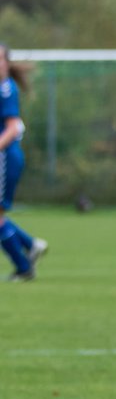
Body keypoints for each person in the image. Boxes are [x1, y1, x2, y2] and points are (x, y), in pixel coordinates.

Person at [0, 44, 49, 282]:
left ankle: (24, 267)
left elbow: (12, 127)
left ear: (6, 63)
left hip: (4, 158)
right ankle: (30, 245)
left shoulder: (6, 89)